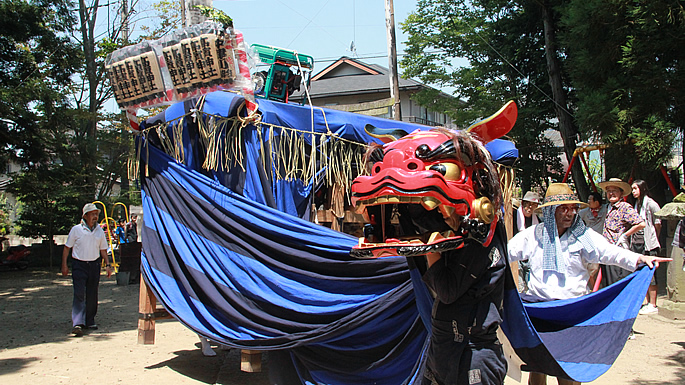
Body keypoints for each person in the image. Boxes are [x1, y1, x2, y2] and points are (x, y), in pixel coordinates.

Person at [508, 183, 670, 385]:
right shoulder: (533, 235)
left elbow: (611, 252)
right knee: (538, 370)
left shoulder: (584, 237)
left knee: (569, 371)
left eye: (573, 208)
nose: (570, 213)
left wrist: (640, 259)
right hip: (540, 313)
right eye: (563, 209)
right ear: (550, 210)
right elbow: (506, 253)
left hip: (572, 311)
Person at [421, 131, 508, 385]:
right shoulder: (460, 232)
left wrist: (431, 250)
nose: (443, 215)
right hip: (443, 348)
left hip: (472, 352)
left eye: (446, 207)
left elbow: (447, 290)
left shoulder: (480, 237)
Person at [61, 203, 113, 337]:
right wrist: (64, 265)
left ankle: (90, 320)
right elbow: (67, 248)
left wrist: (107, 264)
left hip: (94, 265)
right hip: (79, 264)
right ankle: (78, 323)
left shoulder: (100, 231)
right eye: (92, 214)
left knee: (92, 293)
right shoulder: (76, 230)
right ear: (85, 215)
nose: (95, 216)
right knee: (79, 293)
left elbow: (103, 249)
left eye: (96, 214)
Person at [597, 178, 646, 287]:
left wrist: (625, 235)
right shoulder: (606, 208)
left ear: (621, 193)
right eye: (609, 191)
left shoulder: (624, 207)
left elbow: (641, 223)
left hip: (618, 251)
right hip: (606, 251)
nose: (611, 193)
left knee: (617, 283)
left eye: (614, 191)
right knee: (607, 284)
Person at [630, 180, 662, 315]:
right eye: (632, 189)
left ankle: (653, 303)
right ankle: (646, 301)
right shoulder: (636, 204)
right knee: (642, 272)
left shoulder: (650, 204)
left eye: (635, 188)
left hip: (649, 242)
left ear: (642, 188)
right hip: (638, 242)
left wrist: (655, 237)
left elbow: (658, 222)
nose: (633, 191)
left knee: (652, 273)